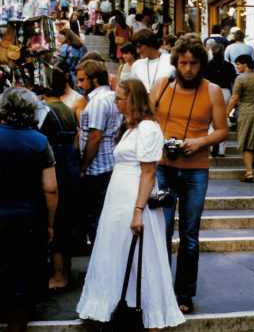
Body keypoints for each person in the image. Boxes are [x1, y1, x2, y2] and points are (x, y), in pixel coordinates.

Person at [77, 78, 185, 330]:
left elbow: (148, 172)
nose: (115, 101)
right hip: (119, 197)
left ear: (132, 100)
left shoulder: (148, 129)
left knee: (141, 255)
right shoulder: (131, 128)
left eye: (119, 98)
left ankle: (148, 312)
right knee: (118, 251)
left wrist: (138, 210)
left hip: (135, 199)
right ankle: (111, 304)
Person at [150, 33, 228, 314]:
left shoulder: (213, 91)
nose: (188, 69)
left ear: (201, 63)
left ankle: (184, 293)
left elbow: (222, 130)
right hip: (163, 168)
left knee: (190, 236)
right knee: (161, 232)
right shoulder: (161, 86)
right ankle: (157, 290)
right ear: (175, 62)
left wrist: (199, 142)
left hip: (196, 171)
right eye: (183, 63)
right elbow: (147, 120)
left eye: (193, 63)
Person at [0, 87, 58, 332]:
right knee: (22, 281)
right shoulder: (40, 142)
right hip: (28, 219)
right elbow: (51, 189)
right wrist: (50, 223)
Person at [38, 68, 85, 290]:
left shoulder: (47, 112)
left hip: (56, 168)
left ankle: (58, 276)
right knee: (67, 221)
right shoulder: (66, 109)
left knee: (57, 222)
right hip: (71, 168)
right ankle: (65, 271)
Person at [77, 60, 123, 244]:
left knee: (93, 216)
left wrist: (84, 165)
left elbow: (95, 136)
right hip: (108, 162)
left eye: (82, 80)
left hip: (97, 167)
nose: (79, 84)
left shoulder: (97, 102)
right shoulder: (111, 97)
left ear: (94, 80)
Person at [226, 54, 254, 182]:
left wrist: (226, 112)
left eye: (238, 64)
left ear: (245, 64)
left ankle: (249, 173)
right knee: (253, 140)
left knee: (245, 143)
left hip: (246, 113)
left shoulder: (240, 79)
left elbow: (234, 98)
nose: (237, 67)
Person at [206, 43, 237, 156]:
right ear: (222, 52)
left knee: (209, 120)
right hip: (225, 92)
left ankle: (212, 141)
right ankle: (221, 150)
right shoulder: (229, 65)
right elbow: (234, 81)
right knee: (222, 120)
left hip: (210, 91)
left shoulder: (208, 64)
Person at [131, 29, 174, 94]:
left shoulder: (171, 60)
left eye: (139, 47)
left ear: (149, 43)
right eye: (136, 48)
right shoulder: (137, 65)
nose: (138, 51)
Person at [54, 59, 87, 125]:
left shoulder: (77, 98)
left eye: (58, 76)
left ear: (67, 76)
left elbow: (83, 128)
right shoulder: (53, 95)